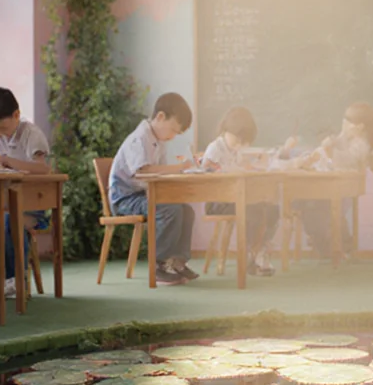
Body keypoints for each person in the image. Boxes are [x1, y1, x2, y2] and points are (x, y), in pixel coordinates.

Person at [109, 93, 198, 286]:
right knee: (170, 210)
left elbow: (159, 176)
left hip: (145, 194)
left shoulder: (159, 141)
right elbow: (142, 171)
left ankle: (177, 262)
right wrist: (178, 168)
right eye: (173, 130)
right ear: (160, 117)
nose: (173, 136)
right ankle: (159, 265)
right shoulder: (139, 139)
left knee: (186, 210)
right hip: (125, 198)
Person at [0, 87, 52, 297]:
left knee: (9, 222)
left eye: (1, 127)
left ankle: (16, 279)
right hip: (8, 201)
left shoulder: (31, 133)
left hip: (33, 205)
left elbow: (43, 169)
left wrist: (4, 160)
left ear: (16, 115)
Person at [202, 106, 281, 276]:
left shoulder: (234, 151)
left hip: (237, 197)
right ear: (226, 130)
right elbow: (207, 175)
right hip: (218, 201)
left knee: (272, 208)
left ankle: (259, 252)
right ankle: (252, 255)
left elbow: (238, 170)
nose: (239, 145)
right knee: (255, 210)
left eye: (244, 143)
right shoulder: (215, 148)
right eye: (237, 140)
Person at [297, 101, 373, 259]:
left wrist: (330, 151)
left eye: (348, 121)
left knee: (328, 211)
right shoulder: (345, 138)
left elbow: (345, 160)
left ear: (360, 127)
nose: (344, 123)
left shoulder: (361, 144)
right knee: (310, 206)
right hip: (329, 186)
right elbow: (330, 149)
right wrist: (328, 145)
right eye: (344, 119)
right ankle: (323, 241)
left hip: (346, 188)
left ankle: (338, 245)